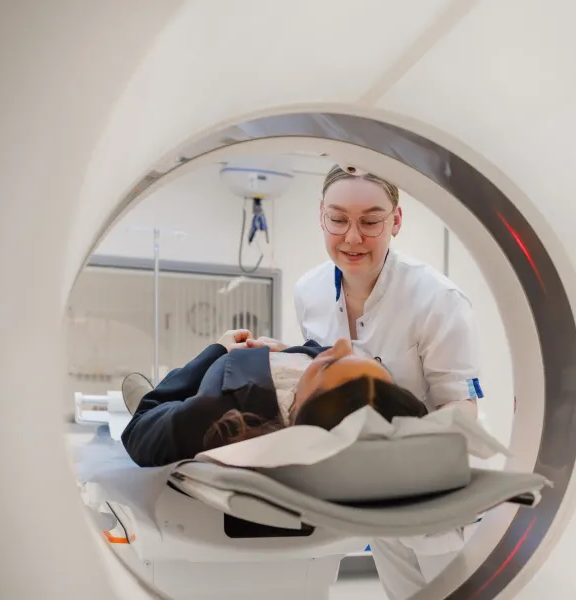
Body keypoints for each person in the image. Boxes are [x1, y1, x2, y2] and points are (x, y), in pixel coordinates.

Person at [290, 165, 484, 600]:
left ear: (396, 221)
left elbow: (461, 406)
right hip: (369, 486)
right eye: (338, 219)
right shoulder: (309, 292)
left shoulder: (437, 299)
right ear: (321, 216)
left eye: (371, 221)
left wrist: (407, 462)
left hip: (435, 489)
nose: (352, 237)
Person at [119, 328, 427, 468]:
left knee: (156, 403)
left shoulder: (218, 412)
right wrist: (290, 354)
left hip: (195, 386)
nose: (342, 342)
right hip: (269, 363)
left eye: (329, 362)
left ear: (299, 403)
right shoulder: (357, 393)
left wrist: (216, 350)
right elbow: (327, 360)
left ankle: (158, 390)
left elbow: (137, 432)